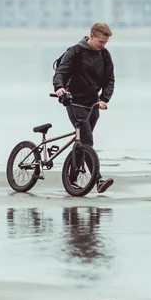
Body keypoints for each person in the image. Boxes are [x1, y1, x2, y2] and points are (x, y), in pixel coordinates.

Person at [52, 21, 115, 194]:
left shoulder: (105, 55)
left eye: (105, 43)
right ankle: (98, 180)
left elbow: (110, 79)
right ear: (92, 36)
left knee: (81, 142)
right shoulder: (75, 52)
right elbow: (61, 73)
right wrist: (59, 88)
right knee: (87, 141)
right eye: (100, 42)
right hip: (74, 102)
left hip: (93, 104)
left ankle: (71, 180)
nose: (103, 45)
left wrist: (104, 99)